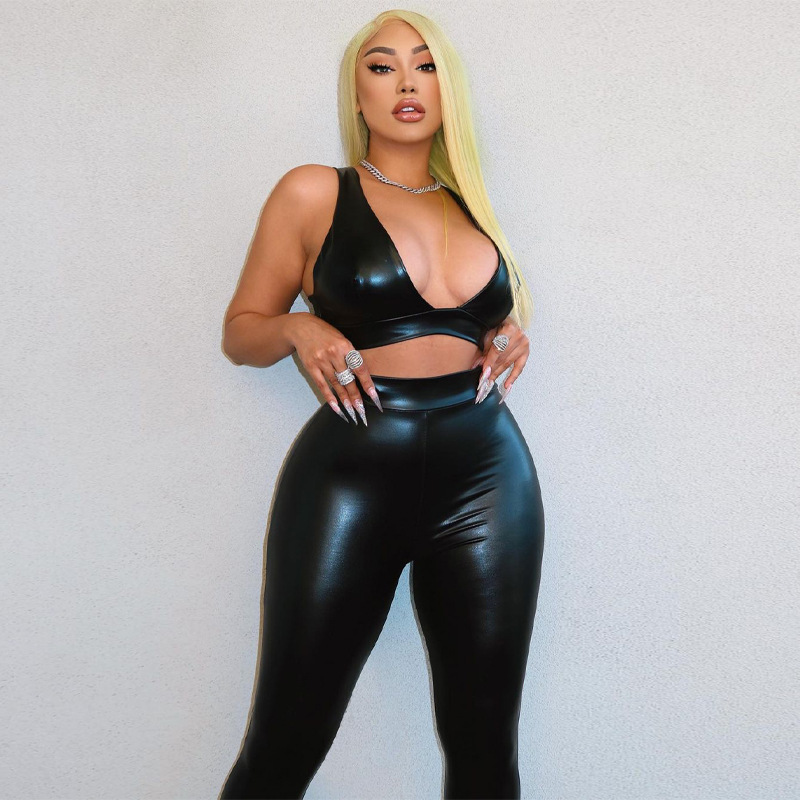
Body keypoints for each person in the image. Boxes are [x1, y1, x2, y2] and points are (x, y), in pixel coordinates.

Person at [218, 9, 545, 800]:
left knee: (486, 747)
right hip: (352, 473)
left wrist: (507, 332)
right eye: (382, 65)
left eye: (426, 65)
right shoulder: (313, 192)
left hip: (487, 476)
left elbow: (477, 318)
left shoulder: (472, 204)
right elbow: (241, 332)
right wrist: (296, 326)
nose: (406, 81)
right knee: (285, 740)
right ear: (357, 92)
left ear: (447, 90)